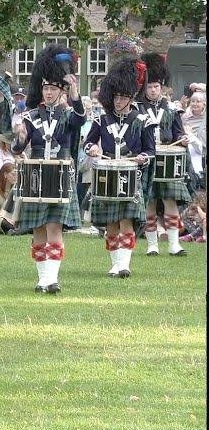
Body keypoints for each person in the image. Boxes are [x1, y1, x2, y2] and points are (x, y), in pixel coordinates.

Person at [11, 45, 86, 293]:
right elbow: (18, 149)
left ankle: (52, 280)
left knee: (54, 226)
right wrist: (19, 137)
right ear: (41, 90)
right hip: (37, 174)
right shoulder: (31, 116)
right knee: (39, 228)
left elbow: (80, 120)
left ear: (60, 90)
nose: (49, 92)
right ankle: (42, 279)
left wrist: (74, 93)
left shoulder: (68, 114)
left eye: (54, 88)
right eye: (46, 88)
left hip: (61, 173)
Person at [84, 57, 154, 277]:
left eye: (122, 96)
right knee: (111, 221)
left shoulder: (143, 121)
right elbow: (87, 143)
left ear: (131, 97)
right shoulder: (101, 120)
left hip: (131, 176)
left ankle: (125, 264)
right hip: (107, 175)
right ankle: (115, 263)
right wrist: (92, 150)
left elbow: (151, 151)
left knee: (126, 221)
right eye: (115, 96)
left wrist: (141, 158)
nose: (118, 100)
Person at [137, 53, 189, 256]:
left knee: (170, 202)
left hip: (168, 160)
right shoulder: (138, 109)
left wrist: (183, 139)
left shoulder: (172, 109)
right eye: (149, 87)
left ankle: (174, 244)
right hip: (147, 160)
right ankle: (152, 244)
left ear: (162, 87)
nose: (153, 90)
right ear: (145, 88)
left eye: (156, 87)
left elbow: (179, 133)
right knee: (149, 202)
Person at [182, 90, 205, 191]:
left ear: (204, 103)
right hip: (189, 154)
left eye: (198, 101)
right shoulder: (185, 117)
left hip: (204, 154)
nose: (195, 104)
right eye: (193, 101)